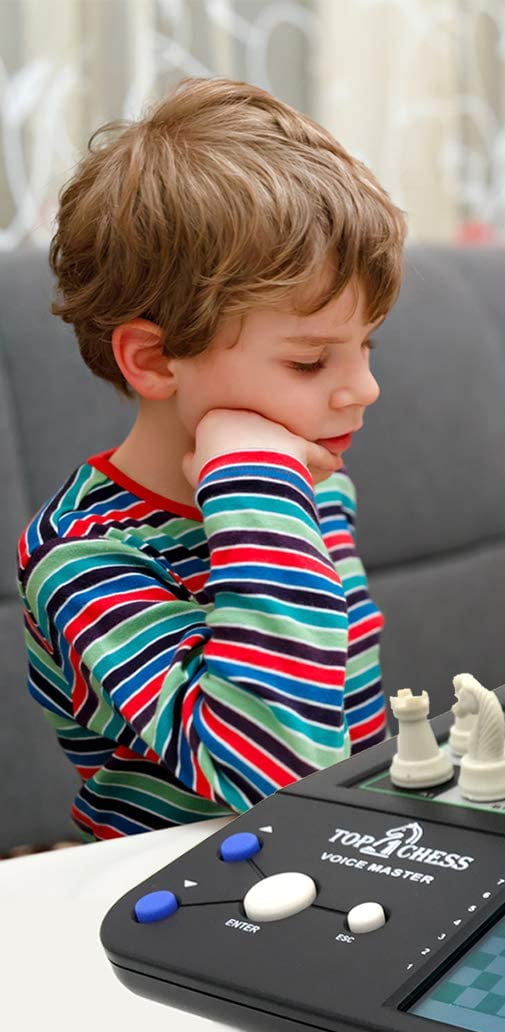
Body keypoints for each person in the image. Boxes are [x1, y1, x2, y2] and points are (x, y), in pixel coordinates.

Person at [17, 78, 406, 839]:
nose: (365, 388)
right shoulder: (86, 559)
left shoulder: (314, 488)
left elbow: (350, 732)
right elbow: (281, 774)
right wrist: (253, 487)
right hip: (177, 904)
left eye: (367, 347)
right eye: (309, 363)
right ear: (157, 360)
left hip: (336, 860)